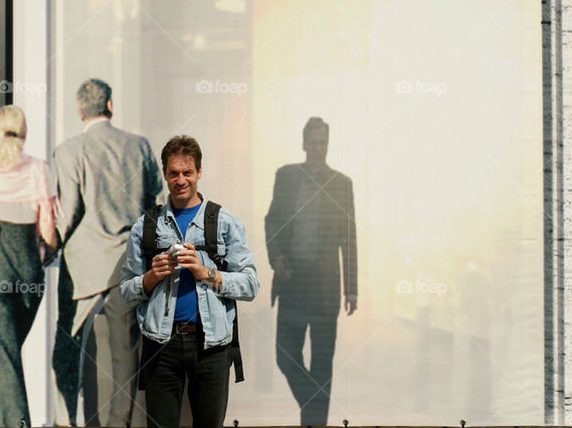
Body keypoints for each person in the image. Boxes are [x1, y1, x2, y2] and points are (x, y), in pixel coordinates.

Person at [120, 135, 259, 428]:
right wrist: (150, 277)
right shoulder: (145, 226)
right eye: (173, 173)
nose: (180, 180)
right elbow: (126, 291)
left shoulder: (224, 222)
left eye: (187, 172)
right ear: (165, 175)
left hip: (212, 346)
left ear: (198, 172)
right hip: (160, 344)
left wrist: (206, 273)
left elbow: (250, 285)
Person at [51, 78, 163, 426]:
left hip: (83, 264)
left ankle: (65, 419)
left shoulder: (69, 152)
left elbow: (67, 213)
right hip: (128, 260)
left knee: (67, 346)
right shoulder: (139, 146)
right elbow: (157, 204)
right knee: (124, 349)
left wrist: (45, 248)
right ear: (110, 106)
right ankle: (119, 423)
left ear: (79, 110)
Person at [0, 104, 57, 428]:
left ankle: (16, 424)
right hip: (30, 273)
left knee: (4, 351)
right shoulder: (40, 169)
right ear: (25, 133)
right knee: (6, 349)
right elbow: (47, 230)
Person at [265, 116, 358, 426]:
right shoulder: (287, 176)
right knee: (285, 355)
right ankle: (316, 406)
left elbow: (350, 239)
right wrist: (276, 256)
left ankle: (314, 423)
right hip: (293, 281)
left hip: (325, 288)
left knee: (322, 366)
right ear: (304, 143)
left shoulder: (342, 184)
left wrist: (352, 289)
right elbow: (273, 221)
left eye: (324, 143)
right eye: (314, 142)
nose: (319, 149)